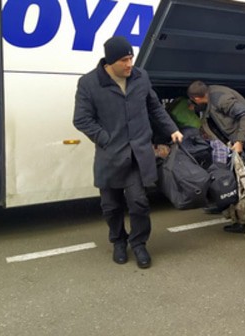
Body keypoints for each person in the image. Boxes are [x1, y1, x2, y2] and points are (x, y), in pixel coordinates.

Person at [73, 36, 183, 269]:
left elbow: (154, 107)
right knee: (111, 207)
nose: (130, 64)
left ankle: (139, 243)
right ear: (110, 62)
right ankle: (119, 242)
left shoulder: (141, 77)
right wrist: (105, 139)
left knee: (139, 203)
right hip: (110, 155)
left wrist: (172, 129)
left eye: (131, 58)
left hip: (137, 155)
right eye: (124, 60)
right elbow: (81, 119)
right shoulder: (89, 83)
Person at [187, 80, 245, 233]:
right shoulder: (211, 96)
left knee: (242, 180)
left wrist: (240, 141)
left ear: (196, 98)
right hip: (239, 138)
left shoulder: (221, 99)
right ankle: (230, 207)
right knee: (234, 177)